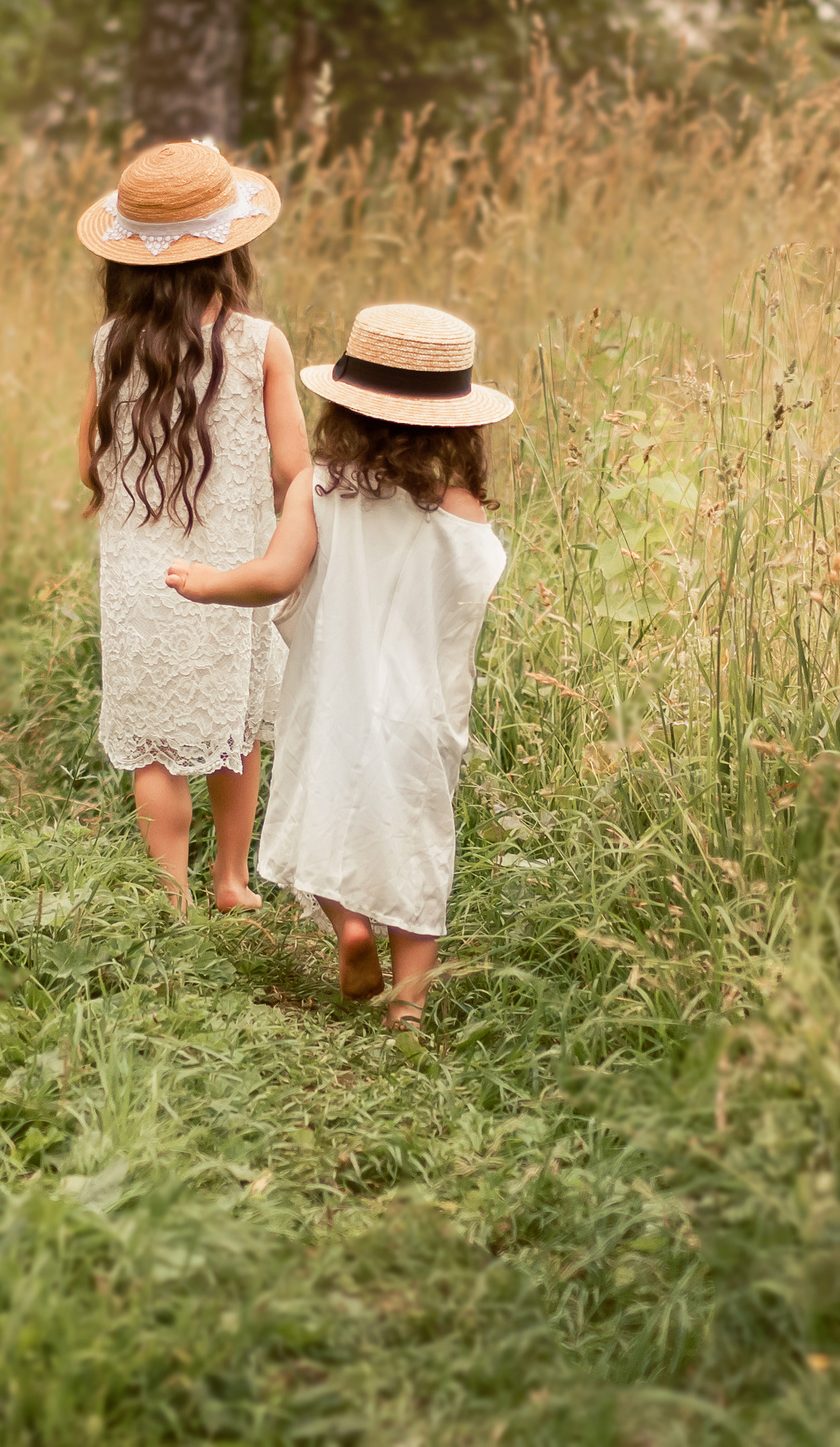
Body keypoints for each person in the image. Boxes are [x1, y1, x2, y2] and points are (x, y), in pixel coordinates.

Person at [166, 304, 513, 1028]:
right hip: (421, 713)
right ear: (459, 423)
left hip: (332, 698)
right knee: (417, 838)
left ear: (347, 406)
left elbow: (274, 574)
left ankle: (350, 927)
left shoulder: (320, 486)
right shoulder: (463, 510)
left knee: (322, 812)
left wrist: (207, 581)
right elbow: (474, 589)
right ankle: (409, 1007)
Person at [75, 140, 309, 914]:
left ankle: (169, 892)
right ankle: (231, 878)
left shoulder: (109, 346)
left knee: (155, 745)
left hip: (143, 578)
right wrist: (298, 543)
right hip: (235, 569)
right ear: (227, 255)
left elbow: (88, 460)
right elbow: (292, 469)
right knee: (235, 725)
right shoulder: (257, 342)